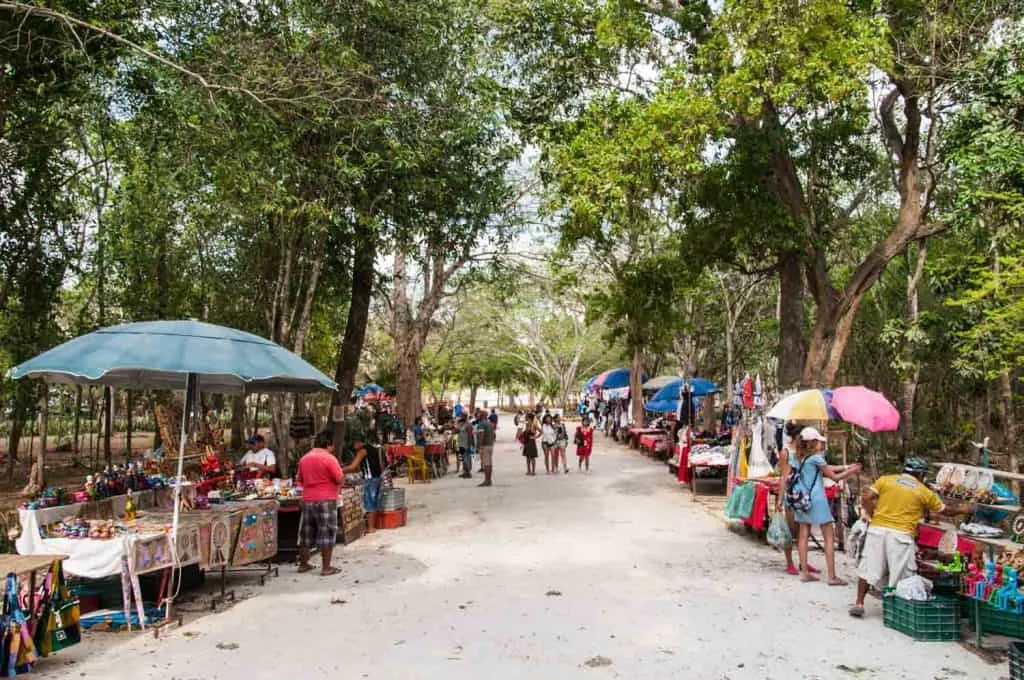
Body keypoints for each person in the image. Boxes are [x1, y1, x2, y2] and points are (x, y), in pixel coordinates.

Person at [850, 457, 944, 618]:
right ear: (920, 474)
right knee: (902, 575)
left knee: (868, 568)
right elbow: (943, 510)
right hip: (901, 535)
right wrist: (966, 509)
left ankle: (859, 603)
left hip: (877, 530)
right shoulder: (923, 491)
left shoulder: (886, 480)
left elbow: (866, 497)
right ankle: (897, 610)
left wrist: (871, 513)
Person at [788, 427, 862, 585]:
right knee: (829, 536)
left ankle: (805, 573)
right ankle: (832, 576)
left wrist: (846, 466)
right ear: (814, 443)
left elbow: (826, 469)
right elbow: (834, 477)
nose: (821, 444)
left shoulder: (797, 457)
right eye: (819, 442)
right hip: (817, 500)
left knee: (803, 534)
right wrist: (852, 471)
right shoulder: (816, 458)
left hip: (802, 499)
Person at [296, 430, 345, 576]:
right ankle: (326, 567)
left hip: (308, 499)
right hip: (326, 499)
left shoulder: (304, 459)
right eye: (332, 446)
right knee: (327, 532)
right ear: (328, 445)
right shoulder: (329, 459)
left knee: (306, 533)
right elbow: (339, 478)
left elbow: (299, 480)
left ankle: (303, 564)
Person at [775, 422, 820, 576]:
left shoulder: (806, 453)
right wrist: (779, 500)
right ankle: (789, 562)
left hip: (805, 496)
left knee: (804, 531)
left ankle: (803, 561)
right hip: (792, 496)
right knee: (790, 529)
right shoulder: (786, 453)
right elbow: (784, 477)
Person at [348, 440, 385, 534]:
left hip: (370, 479)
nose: (353, 446)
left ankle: (371, 527)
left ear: (358, 442)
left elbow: (353, 467)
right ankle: (372, 525)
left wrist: (339, 470)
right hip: (377, 478)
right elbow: (359, 468)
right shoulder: (373, 448)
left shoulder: (362, 451)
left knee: (369, 503)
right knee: (374, 502)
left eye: (354, 444)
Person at [475, 409, 496, 487]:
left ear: (482, 415)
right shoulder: (490, 423)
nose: (478, 415)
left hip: (485, 446)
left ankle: (487, 480)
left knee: (486, 464)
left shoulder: (481, 424)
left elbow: (481, 435)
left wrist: (479, 446)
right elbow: (493, 435)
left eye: (479, 414)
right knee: (489, 463)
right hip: (490, 445)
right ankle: (489, 479)